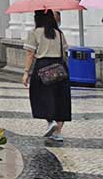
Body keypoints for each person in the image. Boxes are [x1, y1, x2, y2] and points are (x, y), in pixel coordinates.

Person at [23, 9, 71, 142]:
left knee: (41, 96)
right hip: (60, 67)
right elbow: (65, 53)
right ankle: (58, 132)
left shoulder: (34, 32)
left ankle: (50, 121)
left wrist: (26, 72)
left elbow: (30, 54)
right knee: (61, 99)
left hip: (42, 67)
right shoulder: (59, 33)